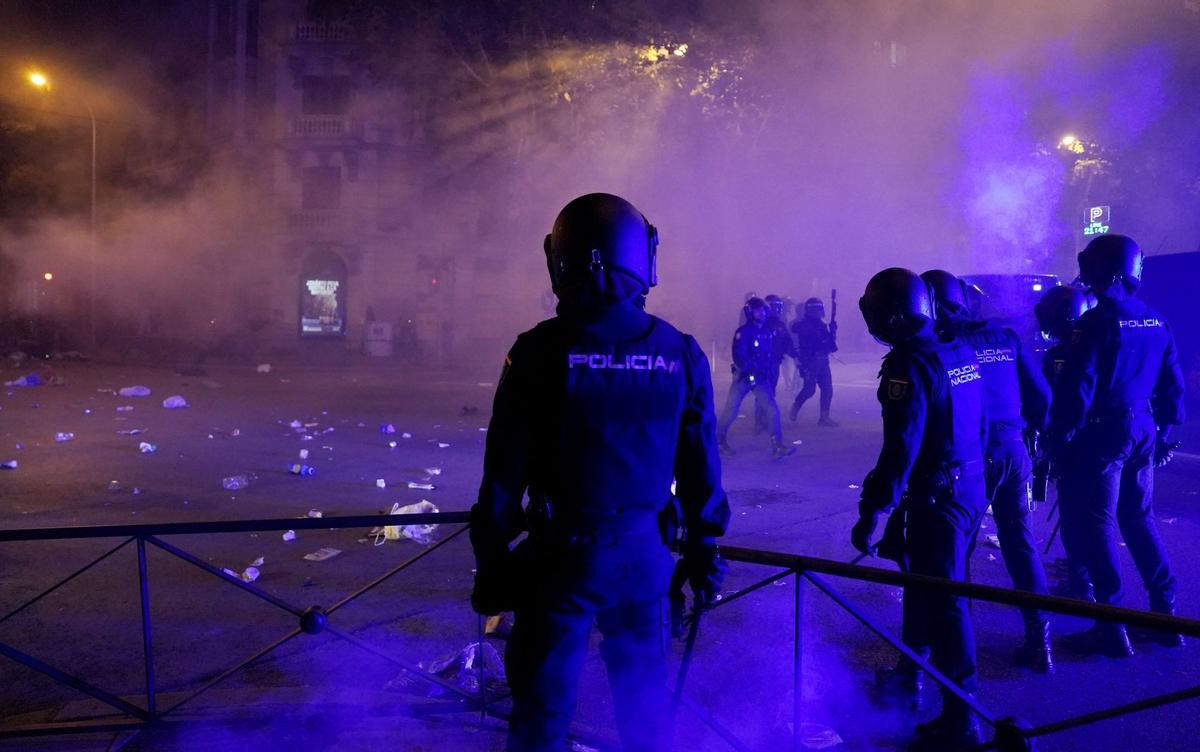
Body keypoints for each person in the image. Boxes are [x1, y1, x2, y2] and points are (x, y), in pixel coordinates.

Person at [469, 193, 730, 752]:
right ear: (643, 258)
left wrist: (491, 566)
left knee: (542, 716)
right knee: (645, 712)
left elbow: (503, 477)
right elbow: (703, 466)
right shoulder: (680, 352)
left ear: (559, 259)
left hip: (561, 559)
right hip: (645, 561)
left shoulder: (537, 352)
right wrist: (706, 549)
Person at [852, 268, 989, 749]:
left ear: (891, 317)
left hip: (940, 500)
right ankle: (910, 681)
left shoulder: (907, 367)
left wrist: (874, 510)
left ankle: (962, 717)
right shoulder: (959, 351)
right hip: (968, 489)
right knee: (927, 590)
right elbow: (983, 423)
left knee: (948, 604)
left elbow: (900, 449)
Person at [1047, 234, 1186, 657]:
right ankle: (1166, 616)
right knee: (1139, 519)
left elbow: (1077, 391)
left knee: (1099, 526)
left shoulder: (1095, 324)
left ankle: (1112, 627)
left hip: (1103, 435)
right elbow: (1172, 384)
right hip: (1142, 428)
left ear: (1104, 271)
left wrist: (1058, 440)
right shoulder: (1155, 320)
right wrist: (1167, 432)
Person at [922, 269, 1054, 674]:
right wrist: (1033, 437)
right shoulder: (1006, 337)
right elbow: (1042, 397)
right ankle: (1040, 641)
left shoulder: (941, 346)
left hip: (970, 460)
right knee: (1021, 544)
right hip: (1015, 450)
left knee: (957, 547)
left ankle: (957, 646)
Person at [1034, 285, 1096, 603]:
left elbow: (1055, 401)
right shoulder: (1095, 344)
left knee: (1075, 516)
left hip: (1073, 444)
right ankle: (1081, 572)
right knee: (1084, 515)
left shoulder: (1066, 354)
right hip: (1095, 441)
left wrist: (1052, 442)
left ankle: (1082, 584)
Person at [717, 296, 795, 459]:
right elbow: (739, 356)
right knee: (731, 410)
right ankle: (718, 441)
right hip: (744, 377)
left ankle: (777, 445)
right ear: (750, 312)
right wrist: (750, 371)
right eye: (757, 311)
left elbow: (774, 351)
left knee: (771, 409)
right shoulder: (743, 332)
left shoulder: (767, 331)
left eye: (763, 310)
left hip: (760, 377)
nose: (762, 313)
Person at [789, 297, 839, 426]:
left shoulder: (822, 326)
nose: (819, 311)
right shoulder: (803, 325)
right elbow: (796, 329)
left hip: (823, 361)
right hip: (810, 362)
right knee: (809, 390)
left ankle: (824, 418)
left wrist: (832, 332)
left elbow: (831, 347)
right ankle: (796, 406)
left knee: (827, 389)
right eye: (817, 309)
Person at [755, 294, 798, 434]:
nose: (777, 310)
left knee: (770, 391)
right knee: (762, 392)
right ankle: (759, 421)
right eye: (774, 306)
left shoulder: (780, 324)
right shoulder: (758, 324)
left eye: (778, 307)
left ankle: (765, 419)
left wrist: (796, 356)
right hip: (761, 364)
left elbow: (787, 342)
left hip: (774, 363)